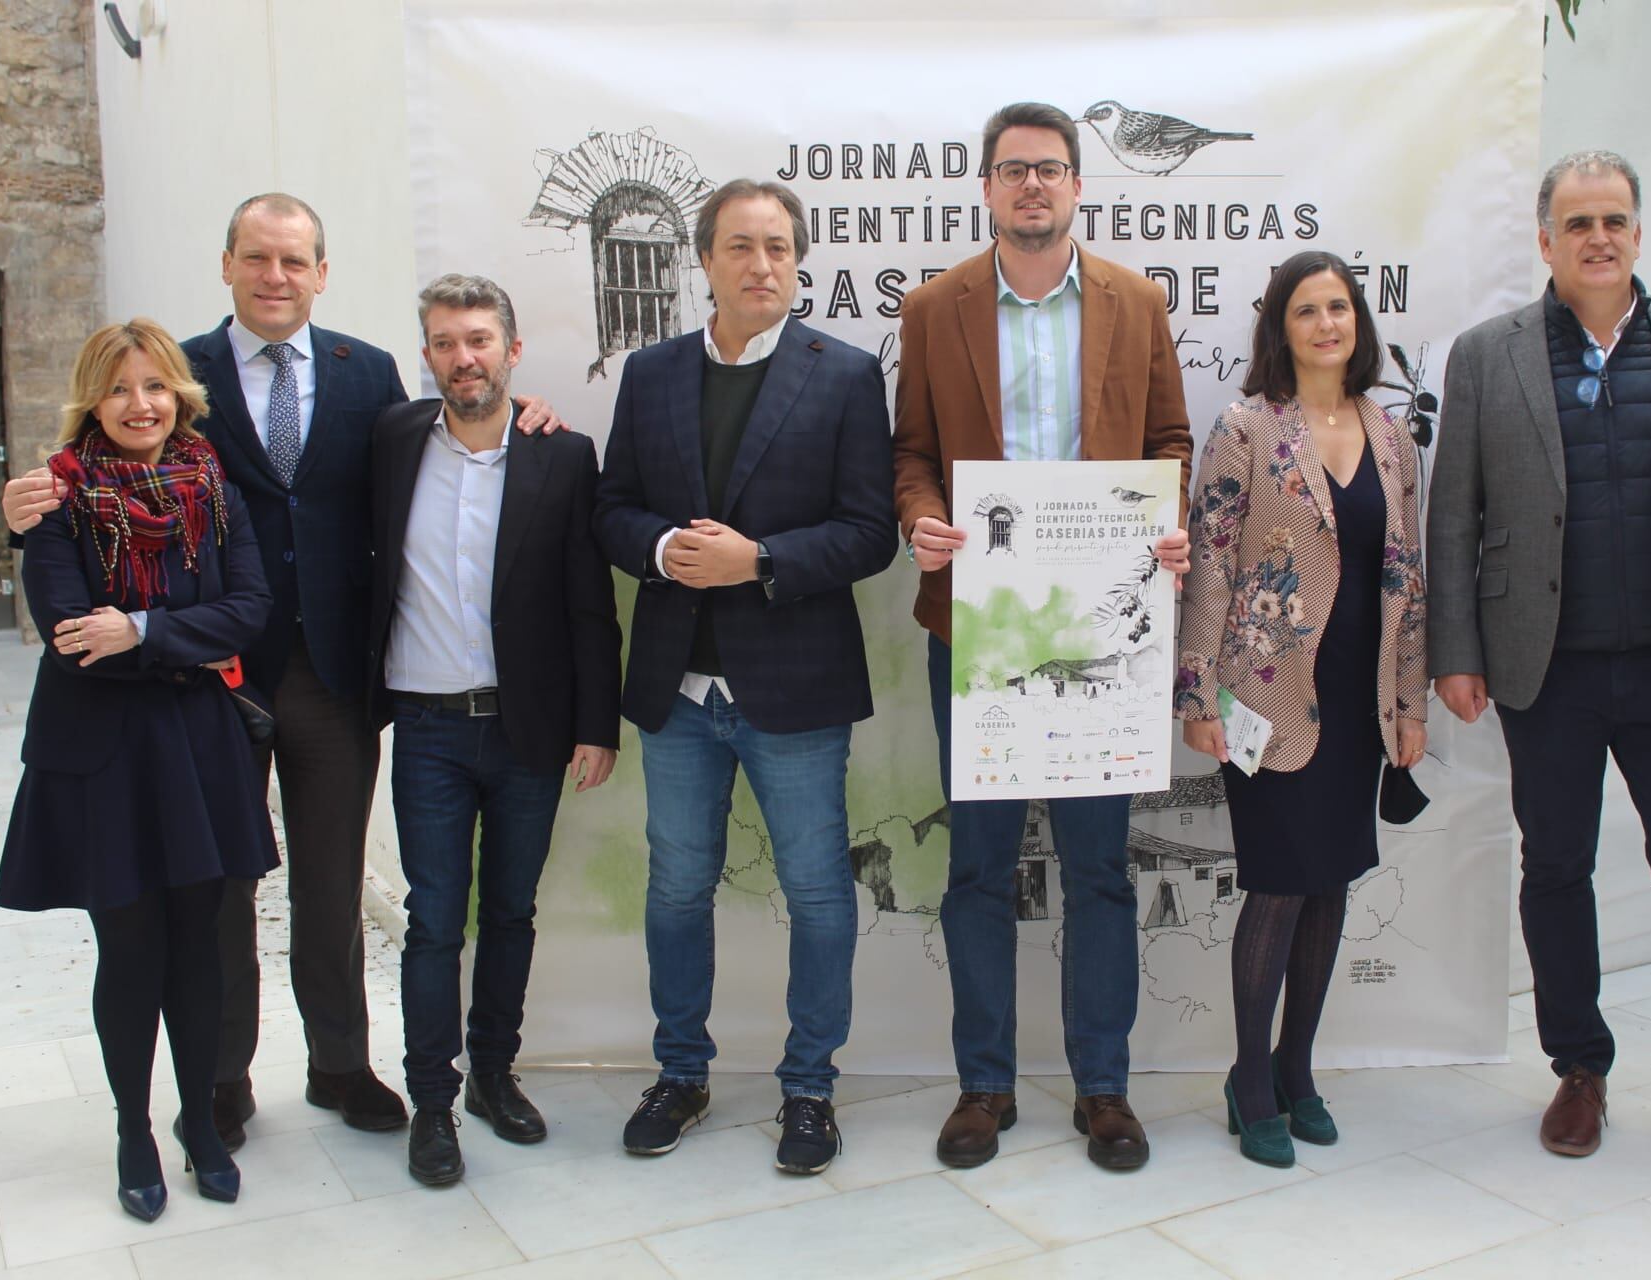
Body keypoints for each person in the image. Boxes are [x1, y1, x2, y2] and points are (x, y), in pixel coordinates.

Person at [2, 194, 563, 1149]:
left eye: (294, 261)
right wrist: (34, 493)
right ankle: (222, 1076)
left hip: (336, 671)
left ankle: (341, 1063)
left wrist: (529, 409)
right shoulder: (181, 371)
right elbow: (105, 459)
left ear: (322, 273)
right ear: (226, 265)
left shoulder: (365, 370)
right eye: (258, 259)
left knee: (331, 879)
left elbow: (439, 445)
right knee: (221, 881)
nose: (276, 277)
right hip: (207, 674)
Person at [1427, 151, 1651, 1177]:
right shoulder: (1486, 354)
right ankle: (1579, 1066)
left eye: (1616, 220)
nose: (1599, 237)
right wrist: (1455, 650)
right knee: (1556, 870)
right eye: (1578, 221)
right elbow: (1452, 513)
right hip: (1545, 672)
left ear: (1639, 234)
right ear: (1545, 239)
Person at [892, 101, 1194, 1171]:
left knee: (1099, 867)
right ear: (985, 187)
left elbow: (1169, 439)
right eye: (1014, 169)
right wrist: (920, 516)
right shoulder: (934, 309)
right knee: (978, 867)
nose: (1033, 186)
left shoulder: (1135, 300)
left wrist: (1166, 522)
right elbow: (913, 451)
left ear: (1077, 186)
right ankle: (985, 1084)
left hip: (1103, 620)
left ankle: (1103, 1087)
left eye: (1052, 169)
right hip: (978, 620)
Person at [594, 179, 896, 1175]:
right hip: (678, 693)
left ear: (798, 261)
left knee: (818, 893)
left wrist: (759, 559)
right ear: (707, 259)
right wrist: (669, 543)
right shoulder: (651, 373)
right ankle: (681, 1069)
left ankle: (810, 1087)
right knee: (677, 887)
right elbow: (613, 508)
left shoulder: (846, 375)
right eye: (739, 245)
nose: (759, 263)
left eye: (776, 246)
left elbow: (868, 533)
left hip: (795, 689)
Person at [0, 320, 278, 1221]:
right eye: (119, 390)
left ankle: (200, 1121)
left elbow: (250, 609)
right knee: (129, 951)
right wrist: (164, 643)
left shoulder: (214, 489)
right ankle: (132, 1128)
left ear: (179, 398)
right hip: (103, 753)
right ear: (93, 400)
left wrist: (145, 630)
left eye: (155, 387)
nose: (139, 405)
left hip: (199, 747)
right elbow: (72, 633)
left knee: (200, 946)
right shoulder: (55, 499)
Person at [367, 274, 623, 1185]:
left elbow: (589, 604)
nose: (463, 357)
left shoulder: (563, 454)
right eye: (445, 341)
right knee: (434, 921)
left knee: (510, 911)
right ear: (426, 354)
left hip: (529, 731)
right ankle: (431, 1103)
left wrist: (597, 723)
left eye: (479, 340)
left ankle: (493, 1076)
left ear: (512, 351)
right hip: (427, 727)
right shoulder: (393, 439)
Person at [1175, 251, 1427, 1167]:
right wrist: (1198, 689)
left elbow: (1408, 576)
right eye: (1307, 311)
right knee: (1279, 883)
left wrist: (1410, 702)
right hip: (1268, 695)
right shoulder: (1248, 424)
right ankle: (1248, 1078)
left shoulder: (1389, 433)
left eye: (1341, 307)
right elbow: (1211, 559)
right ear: (1281, 329)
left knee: (1330, 883)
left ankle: (1298, 1067)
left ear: (1359, 321)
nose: (1328, 323)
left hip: (1360, 699)